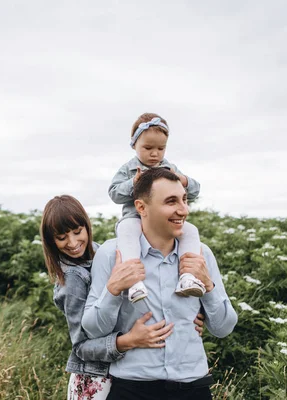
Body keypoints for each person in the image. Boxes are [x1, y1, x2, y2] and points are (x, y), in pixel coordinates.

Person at [83, 168, 238, 400]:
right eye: (171, 201)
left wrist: (208, 286)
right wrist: (113, 289)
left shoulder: (200, 254)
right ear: (141, 207)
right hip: (132, 389)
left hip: (194, 387)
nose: (183, 210)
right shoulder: (111, 254)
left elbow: (224, 328)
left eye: (184, 200)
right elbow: (92, 329)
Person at [41, 195, 206, 400]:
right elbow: (81, 347)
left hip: (122, 372)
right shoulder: (73, 278)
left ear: (87, 226)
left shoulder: (101, 253)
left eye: (77, 232)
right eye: (62, 237)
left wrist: (191, 315)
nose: (73, 243)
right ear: (51, 241)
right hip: (95, 379)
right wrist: (128, 340)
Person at [109, 113, 205, 302]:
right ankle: (133, 281)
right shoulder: (127, 169)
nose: (155, 154)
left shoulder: (170, 168)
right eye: (148, 148)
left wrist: (182, 179)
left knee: (191, 231)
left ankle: (188, 277)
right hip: (135, 218)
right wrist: (133, 183)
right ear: (134, 145)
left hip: (163, 222)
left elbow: (195, 191)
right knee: (127, 230)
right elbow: (114, 193)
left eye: (161, 148)